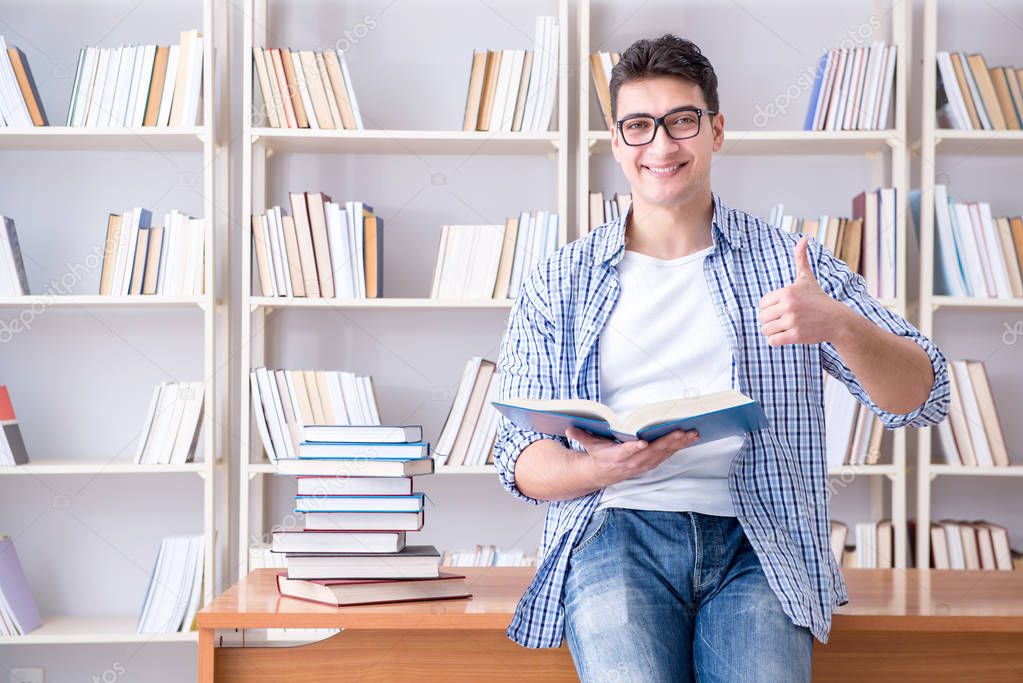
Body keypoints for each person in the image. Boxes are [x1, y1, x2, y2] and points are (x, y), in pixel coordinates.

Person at [493, 34, 950, 682]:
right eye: (637, 126)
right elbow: (517, 459)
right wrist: (600, 466)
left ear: (715, 130)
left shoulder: (789, 265)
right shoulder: (558, 278)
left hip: (758, 541)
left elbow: (923, 396)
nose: (660, 145)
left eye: (681, 121)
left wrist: (841, 326)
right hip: (616, 531)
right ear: (616, 141)